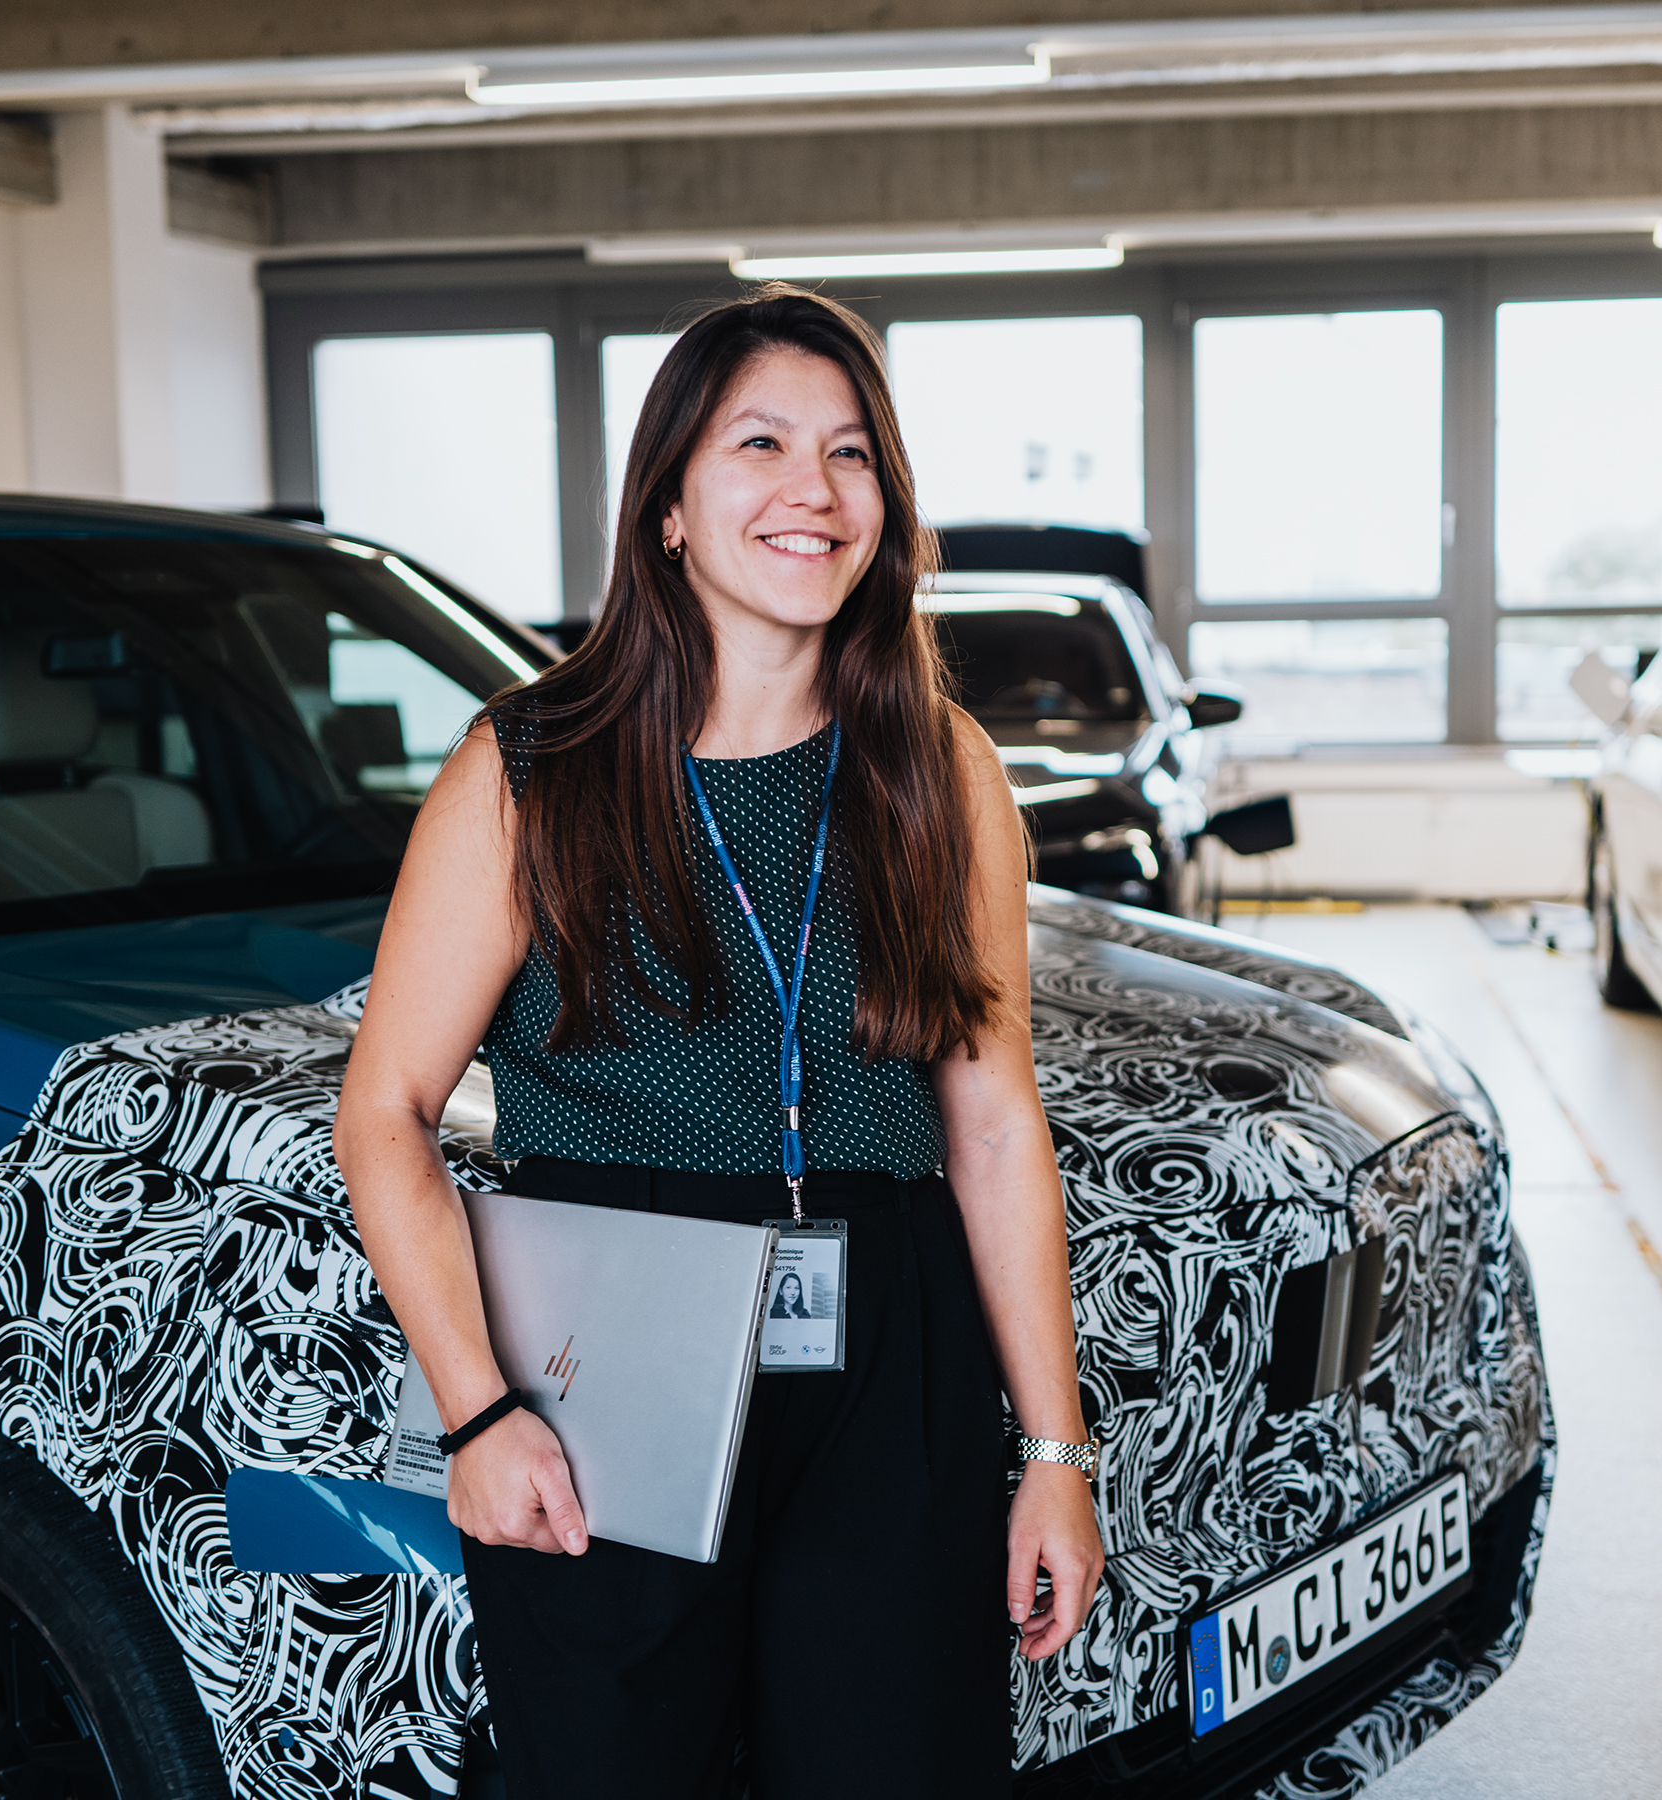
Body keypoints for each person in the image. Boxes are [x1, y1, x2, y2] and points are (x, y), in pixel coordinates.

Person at [335, 285, 1104, 1800]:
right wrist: (477, 1410)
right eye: (761, 443)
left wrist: (1056, 1458)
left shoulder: (935, 766)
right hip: (609, 1355)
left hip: (891, 1349)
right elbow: (388, 1112)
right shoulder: (530, 767)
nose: (813, 492)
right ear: (672, 503)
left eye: (851, 454)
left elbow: (997, 1125)